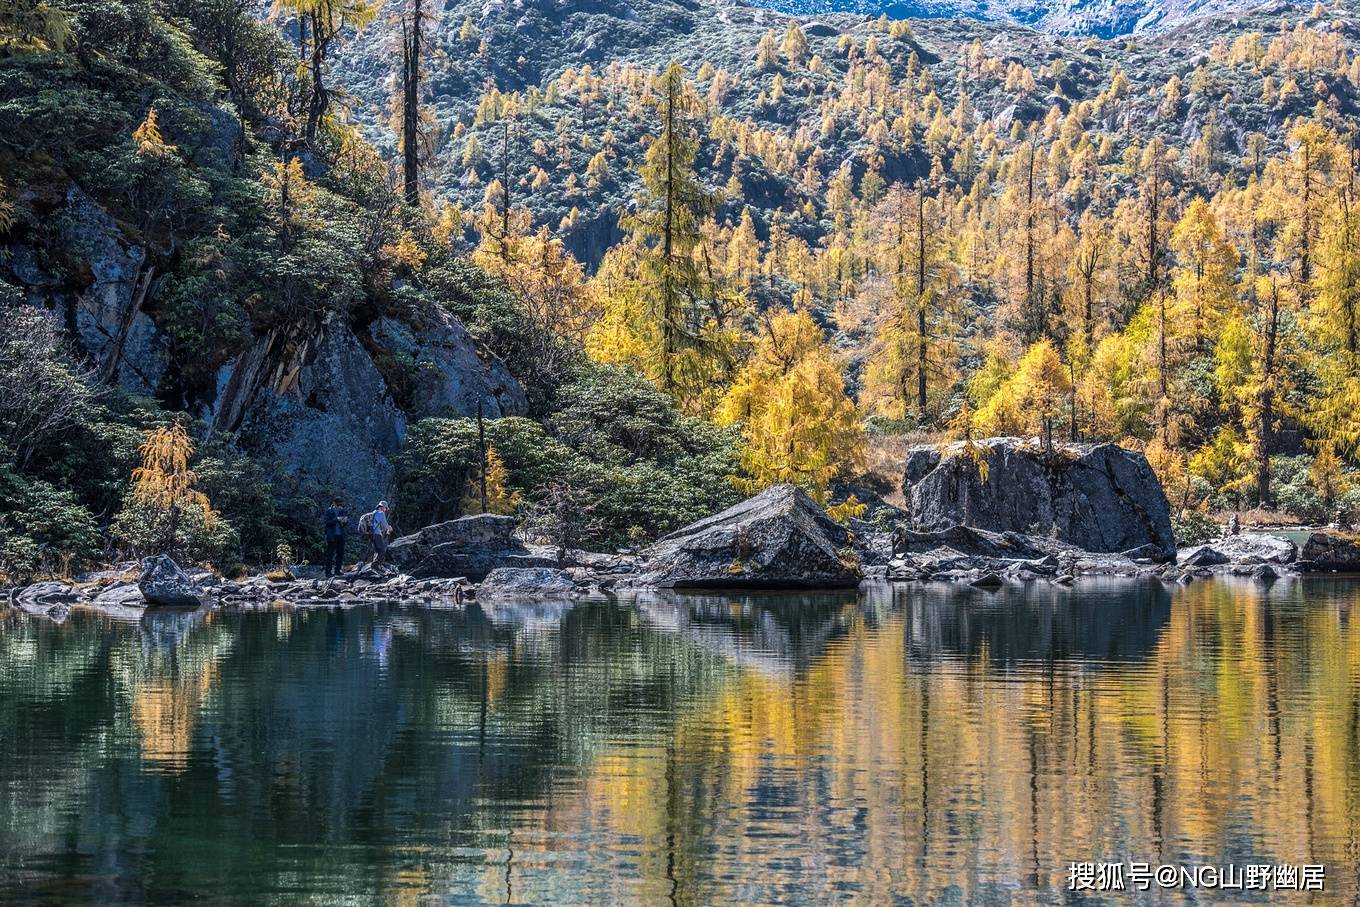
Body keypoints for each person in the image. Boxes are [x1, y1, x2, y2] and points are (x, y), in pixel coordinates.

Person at [323, 497, 348, 578]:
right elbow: (327, 523)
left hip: (341, 535)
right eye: (338, 504)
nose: (339, 506)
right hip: (332, 536)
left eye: (341, 504)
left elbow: (344, 524)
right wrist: (337, 519)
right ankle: (328, 572)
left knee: (340, 553)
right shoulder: (329, 511)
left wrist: (344, 521)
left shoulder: (342, 511)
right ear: (334, 503)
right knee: (330, 554)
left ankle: (337, 570)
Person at [370, 501, 393, 568]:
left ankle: (374, 566)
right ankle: (376, 566)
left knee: (377, 550)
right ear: (383, 507)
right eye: (385, 508)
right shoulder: (381, 513)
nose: (385, 510)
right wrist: (390, 528)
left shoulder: (374, 512)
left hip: (371, 534)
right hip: (377, 534)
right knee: (382, 550)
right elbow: (385, 525)